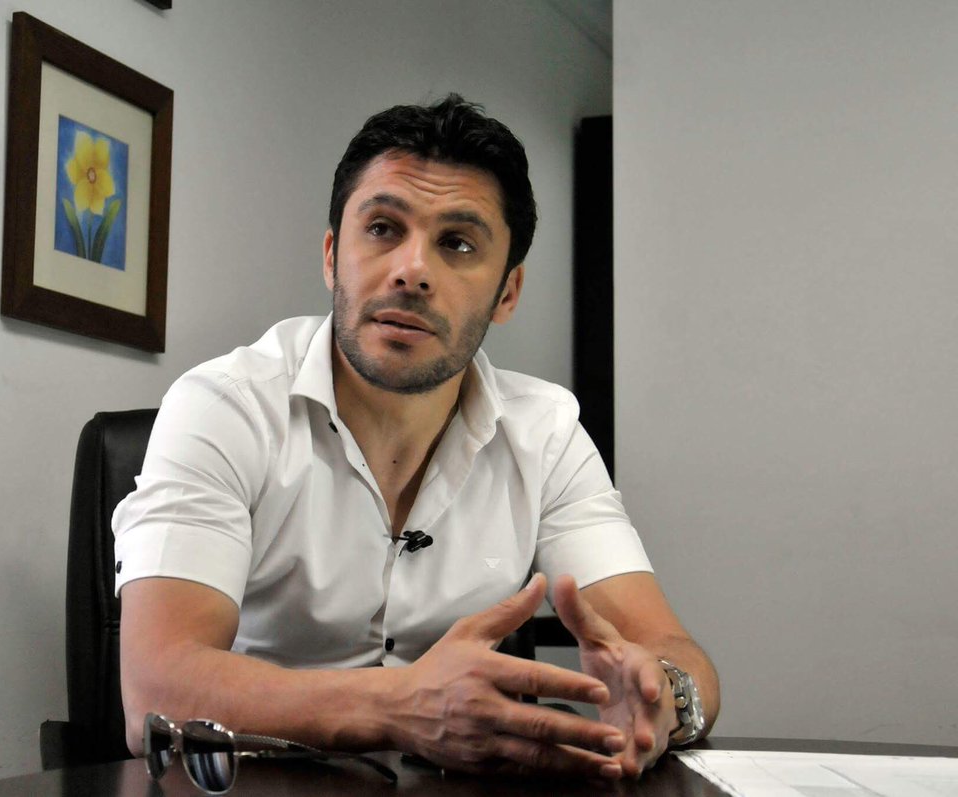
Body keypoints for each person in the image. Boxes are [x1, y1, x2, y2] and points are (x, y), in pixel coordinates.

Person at [112, 94, 720, 781]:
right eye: (382, 228)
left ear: (508, 292)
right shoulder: (225, 406)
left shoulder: (546, 434)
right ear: (332, 256)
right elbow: (156, 690)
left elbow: (671, 649)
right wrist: (403, 705)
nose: (411, 270)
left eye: (457, 243)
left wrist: (665, 697)